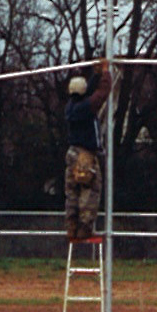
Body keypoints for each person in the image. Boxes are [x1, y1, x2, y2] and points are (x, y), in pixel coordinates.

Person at [64, 58, 113, 243]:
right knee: (90, 190)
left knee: (72, 192)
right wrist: (106, 73)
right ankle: (85, 229)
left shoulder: (71, 107)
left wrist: (96, 74)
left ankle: (71, 228)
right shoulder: (86, 107)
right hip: (85, 155)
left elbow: (90, 91)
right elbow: (102, 93)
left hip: (72, 153)